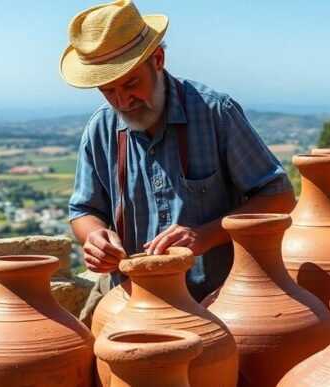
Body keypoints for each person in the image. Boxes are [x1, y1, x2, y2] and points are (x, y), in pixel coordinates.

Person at [60, 0, 295, 325]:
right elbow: (83, 211)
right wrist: (95, 238)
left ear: (158, 59)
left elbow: (279, 195)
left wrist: (205, 234)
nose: (122, 101)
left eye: (130, 84)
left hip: (218, 300)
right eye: (108, 90)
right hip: (131, 301)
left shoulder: (215, 113)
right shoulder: (100, 129)